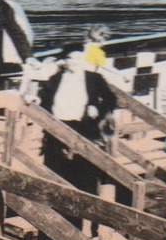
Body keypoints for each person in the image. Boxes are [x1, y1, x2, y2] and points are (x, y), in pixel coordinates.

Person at [36, 49, 116, 196]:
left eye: (80, 58)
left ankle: (86, 201)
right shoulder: (55, 79)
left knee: (85, 168)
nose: (76, 62)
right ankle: (56, 200)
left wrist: (97, 108)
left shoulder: (93, 78)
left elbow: (111, 99)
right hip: (59, 126)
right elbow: (44, 101)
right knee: (55, 165)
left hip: (84, 127)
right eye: (72, 58)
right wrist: (35, 101)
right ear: (65, 62)